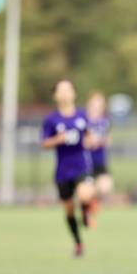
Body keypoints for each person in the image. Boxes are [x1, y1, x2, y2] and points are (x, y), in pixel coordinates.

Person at [42, 79, 96, 257]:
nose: (65, 94)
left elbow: (89, 136)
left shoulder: (82, 115)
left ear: (74, 93)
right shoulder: (51, 120)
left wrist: (91, 140)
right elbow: (44, 143)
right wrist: (58, 139)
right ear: (55, 96)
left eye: (68, 90)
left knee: (84, 194)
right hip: (62, 170)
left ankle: (87, 211)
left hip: (81, 165)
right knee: (69, 210)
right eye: (61, 91)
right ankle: (78, 242)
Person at [86, 90, 114, 205]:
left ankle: (92, 204)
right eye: (94, 103)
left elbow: (108, 140)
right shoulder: (83, 119)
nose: (97, 107)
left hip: (100, 162)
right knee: (85, 192)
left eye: (100, 104)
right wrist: (89, 141)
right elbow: (83, 142)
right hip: (85, 163)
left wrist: (100, 141)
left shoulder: (105, 121)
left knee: (105, 188)